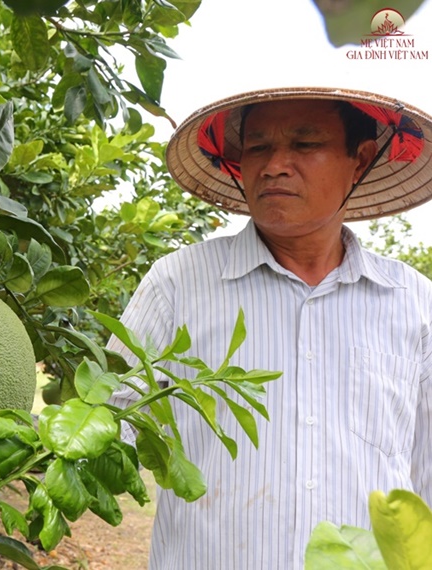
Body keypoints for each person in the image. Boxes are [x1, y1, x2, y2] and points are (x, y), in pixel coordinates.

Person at [107, 87, 432, 569]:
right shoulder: (178, 284)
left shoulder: (415, 303)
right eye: (258, 146)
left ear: (360, 160)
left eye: (304, 144)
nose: (275, 164)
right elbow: (109, 421)